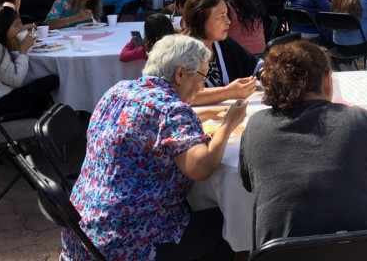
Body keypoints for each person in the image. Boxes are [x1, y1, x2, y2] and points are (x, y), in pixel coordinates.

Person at [239, 40, 367, 248]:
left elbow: (248, 182)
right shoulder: (359, 121)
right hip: (366, 253)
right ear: (327, 82)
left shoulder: (255, 127)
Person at [61, 35, 245, 260]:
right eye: (202, 76)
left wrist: (203, 114)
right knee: (229, 225)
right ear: (179, 74)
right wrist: (228, 124)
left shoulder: (118, 91)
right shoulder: (172, 111)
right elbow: (201, 167)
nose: (202, 84)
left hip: (84, 234)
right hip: (130, 241)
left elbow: (147, 124)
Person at [0, 4, 59, 118]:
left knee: (41, 82)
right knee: (52, 80)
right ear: (2, 27)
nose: (19, 28)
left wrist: (20, 30)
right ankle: (33, 121)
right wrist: (23, 51)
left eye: (20, 24)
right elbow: (16, 80)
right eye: (16, 25)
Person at [180, 0, 257, 105]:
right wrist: (229, 92)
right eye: (221, 16)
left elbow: (255, 66)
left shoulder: (224, 44)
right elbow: (181, 95)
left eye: (226, 15)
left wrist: (268, 74)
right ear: (201, 19)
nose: (228, 21)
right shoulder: (181, 51)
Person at [196, 0, 267, 54]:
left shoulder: (222, 8)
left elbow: (205, 35)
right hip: (260, 55)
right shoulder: (248, 1)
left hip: (239, 58)